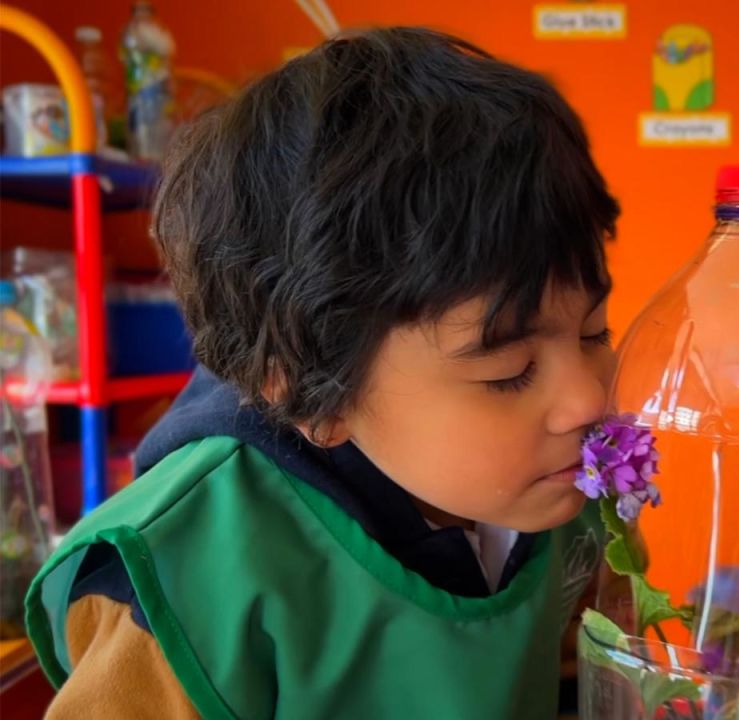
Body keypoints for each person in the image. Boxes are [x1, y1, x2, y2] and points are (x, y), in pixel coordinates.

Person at [26, 27, 619, 718]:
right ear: (316, 390)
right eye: (510, 371)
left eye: (594, 331)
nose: (588, 397)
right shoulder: (185, 585)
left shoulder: (558, 491)